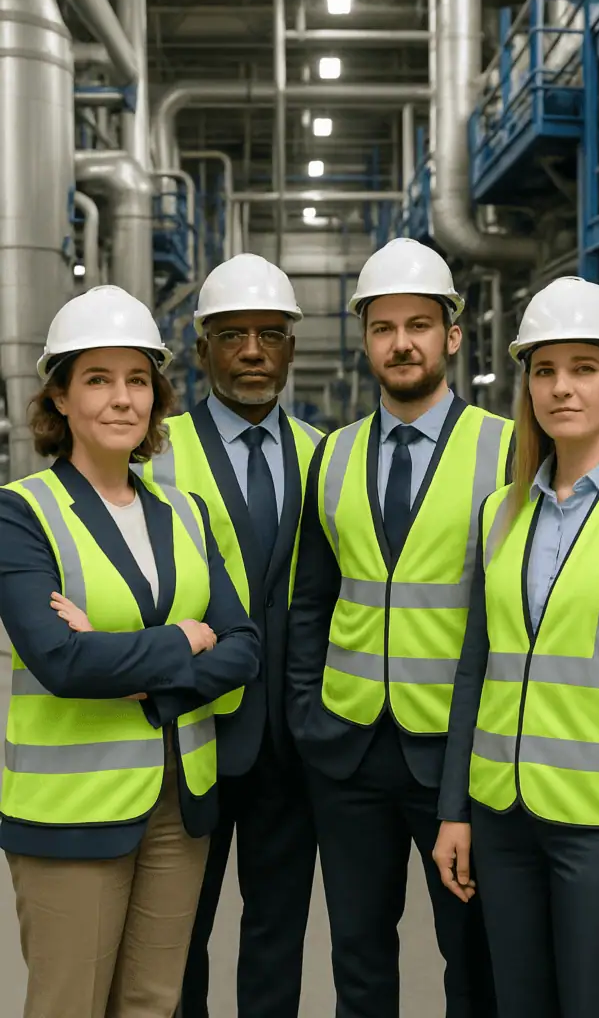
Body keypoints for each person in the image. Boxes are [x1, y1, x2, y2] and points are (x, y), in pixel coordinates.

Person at [0, 284, 261, 1018]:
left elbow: (242, 647)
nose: (122, 399)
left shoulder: (185, 512)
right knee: (68, 1005)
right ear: (58, 399)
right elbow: (61, 663)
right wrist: (181, 639)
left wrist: (140, 672)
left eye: (137, 380)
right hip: (71, 812)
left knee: (152, 1003)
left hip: (180, 803)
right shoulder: (23, 513)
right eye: (97, 379)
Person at [434, 276, 599, 1018]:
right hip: (502, 821)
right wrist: (455, 811)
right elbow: (474, 669)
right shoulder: (499, 513)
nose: (561, 388)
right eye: (543, 370)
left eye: (583, 368)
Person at [286, 237, 512, 1018]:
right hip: (347, 750)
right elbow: (310, 600)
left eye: (419, 324)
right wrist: (307, 716)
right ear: (365, 339)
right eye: (384, 327)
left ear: (452, 334)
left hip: (456, 755)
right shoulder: (334, 456)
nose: (402, 342)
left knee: (472, 952)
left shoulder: (509, 449)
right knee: (357, 953)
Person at [142, 254, 321, 1018]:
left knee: (278, 935)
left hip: (295, 744)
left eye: (270, 335)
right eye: (232, 335)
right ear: (201, 344)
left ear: (290, 347)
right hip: (193, 740)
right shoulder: (156, 452)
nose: (253, 351)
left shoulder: (325, 454)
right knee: (177, 940)